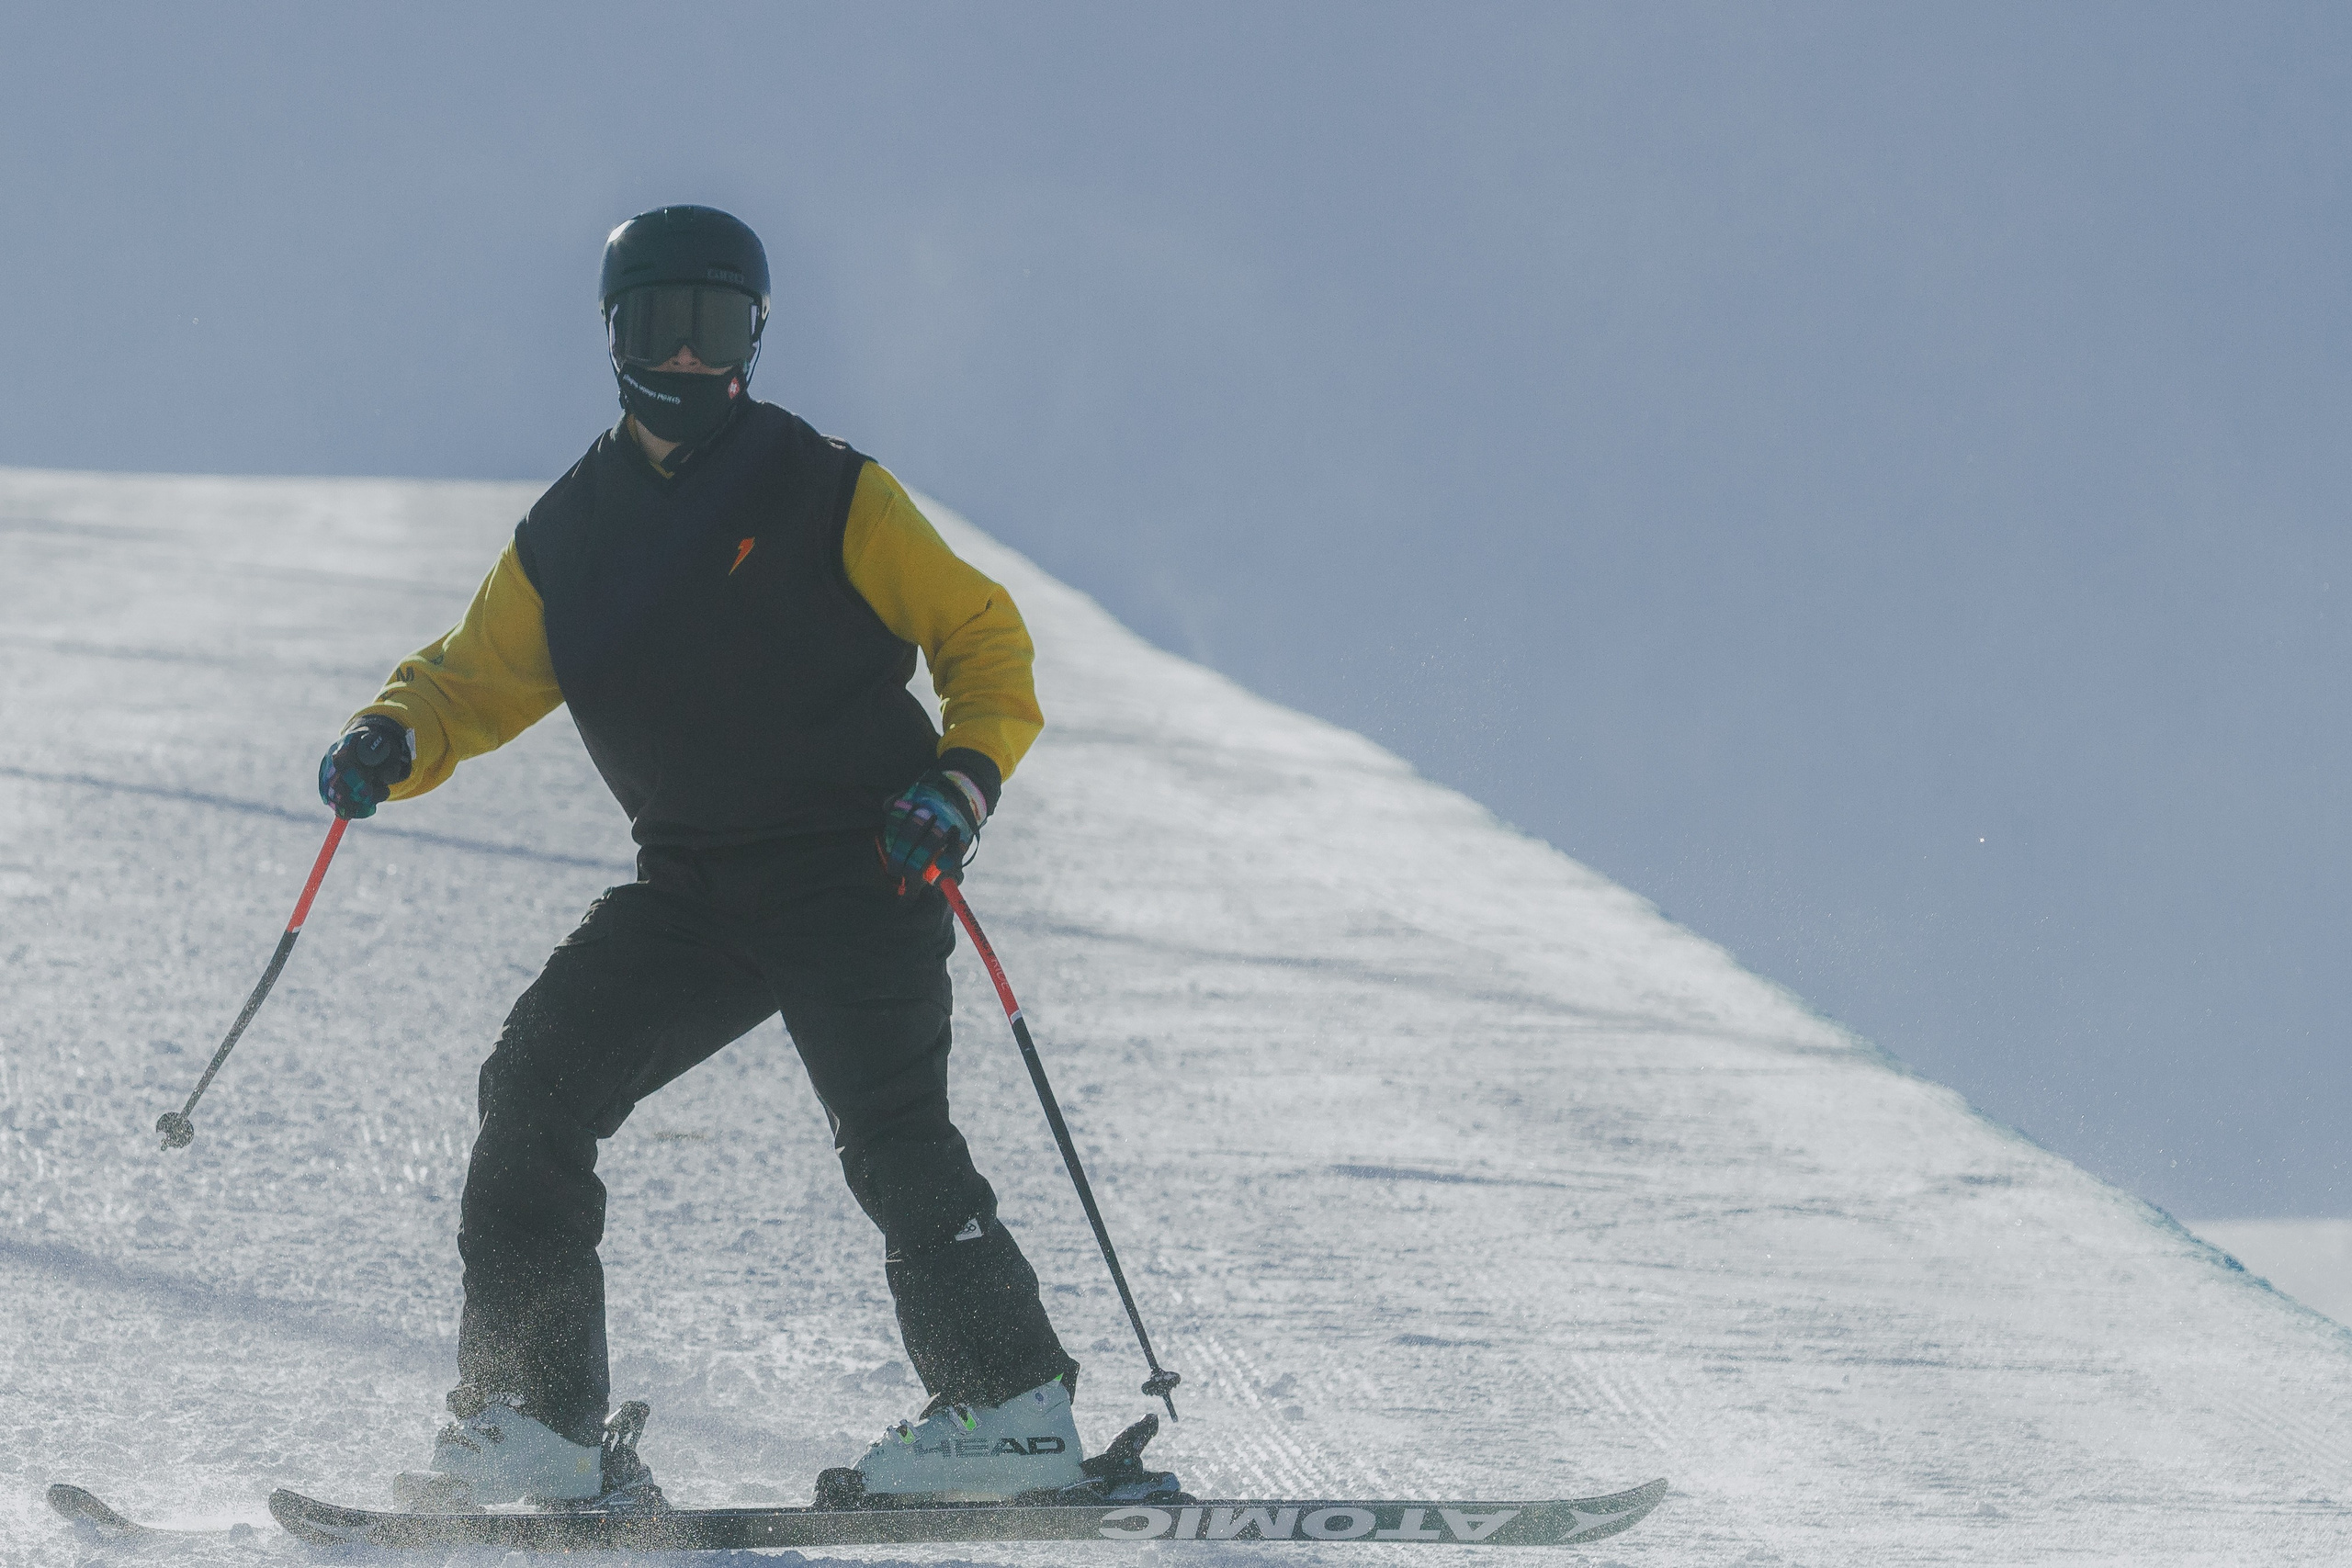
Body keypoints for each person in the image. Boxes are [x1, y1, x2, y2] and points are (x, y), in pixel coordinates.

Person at [319, 205, 1086, 1511]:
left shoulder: (828, 487)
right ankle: (534, 1422)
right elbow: (475, 677)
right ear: (613, 335)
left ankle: (1010, 1413)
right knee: (535, 1091)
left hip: (865, 860)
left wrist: (962, 777)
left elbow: (983, 637)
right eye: (657, 323)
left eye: (715, 324)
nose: (685, 356)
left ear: (756, 337)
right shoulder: (572, 532)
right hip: (695, 886)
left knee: (894, 1135)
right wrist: (398, 731)